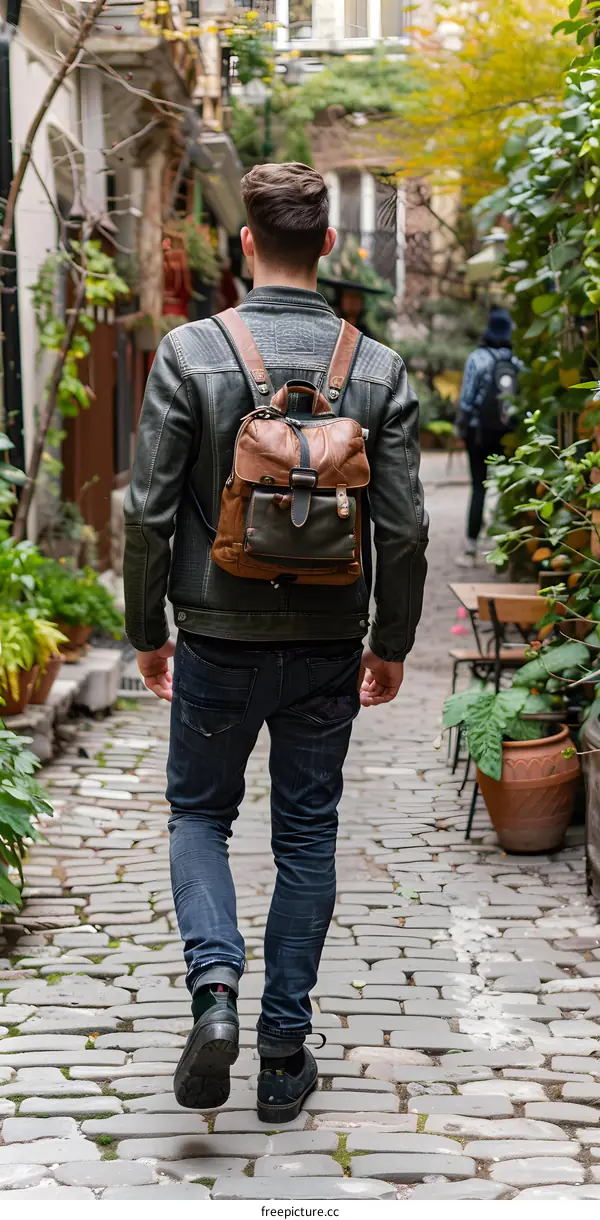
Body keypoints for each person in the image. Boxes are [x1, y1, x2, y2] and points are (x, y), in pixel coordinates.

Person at [123, 162, 428, 1124]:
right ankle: (283, 1051)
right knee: (306, 835)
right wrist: (392, 641)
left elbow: (147, 512)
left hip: (216, 635)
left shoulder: (190, 352)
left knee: (198, 816)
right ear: (329, 245)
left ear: (246, 242)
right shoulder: (378, 368)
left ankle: (214, 991)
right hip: (330, 644)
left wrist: (146, 632)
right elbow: (405, 529)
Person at [455, 306, 520, 568]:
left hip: (479, 433)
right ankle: (506, 548)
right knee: (508, 487)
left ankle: (471, 548)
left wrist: (461, 430)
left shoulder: (477, 358)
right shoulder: (516, 361)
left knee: (479, 487)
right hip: (508, 434)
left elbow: (466, 400)